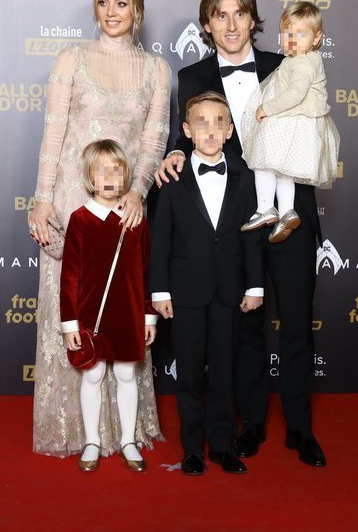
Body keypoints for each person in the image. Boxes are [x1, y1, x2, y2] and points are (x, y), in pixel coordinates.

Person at [154, 0, 326, 467]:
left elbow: (313, 121)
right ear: (207, 25)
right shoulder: (191, 76)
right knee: (244, 328)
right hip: (232, 224)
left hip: (290, 213)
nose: (231, 25)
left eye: (239, 14)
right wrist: (171, 153)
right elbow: (184, 135)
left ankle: (300, 428)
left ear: (254, 19)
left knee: (295, 324)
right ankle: (250, 423)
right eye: (219, 15)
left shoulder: (284, 64)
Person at [29, 0, 170, 458]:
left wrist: (141, 190)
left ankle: (124, 433)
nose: (112, 12)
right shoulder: (71, 58)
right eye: (104, 2)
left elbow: (153, 142)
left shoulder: (157, 70)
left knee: (123, 310)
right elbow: (54, 134)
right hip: (73, 205)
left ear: (138, 11)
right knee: (75, 309)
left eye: (123, 3)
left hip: (125, 207)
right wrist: (43, 198)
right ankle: (78, 431)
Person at [149, 92, 263, 476]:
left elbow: (251, 236)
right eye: (201, 121)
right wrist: (160, 290)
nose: (210, 130)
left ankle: (222, 445)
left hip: (230, 291)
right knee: (190, 373)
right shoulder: (172, 179)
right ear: (186, 130)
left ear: (230, 131)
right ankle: (192, 450)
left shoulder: (245, 178)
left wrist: (255, 286)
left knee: (225, 373)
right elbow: (160, 238)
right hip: (186, 292)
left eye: (218, 122)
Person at [60, 140, 158, 472]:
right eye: (101, 170)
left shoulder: (136, 218)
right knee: (93, 373)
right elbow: (69, 276)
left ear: (126, 174)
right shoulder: (80, 219)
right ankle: (92, 441)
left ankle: (128, 441)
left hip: (128, 311)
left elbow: (147, 269)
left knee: (127, 373)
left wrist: (149, 317)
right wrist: (70, 324)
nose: (110, 176)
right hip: (91, 314)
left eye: (116, 169)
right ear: (89, 177)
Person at [238, 1, 340, 243]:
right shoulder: (299, 59)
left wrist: (267, 108)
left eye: (300, 34)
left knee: (262, 163)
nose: (292, 39)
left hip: (292, 122)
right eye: (287, 33)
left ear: (316, 39)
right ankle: (286, 211)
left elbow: (295, 94)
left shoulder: (304, 63)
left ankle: (265, 208)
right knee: (284, 171)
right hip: (301, 124)